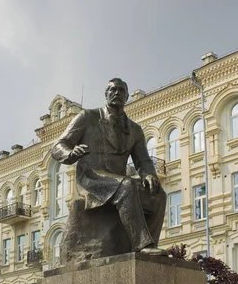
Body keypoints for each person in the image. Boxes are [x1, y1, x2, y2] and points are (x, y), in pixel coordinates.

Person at [51, 78, 167, 256]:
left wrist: (150, 175)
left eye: (121, 91)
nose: (117, 93)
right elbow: (59, 146)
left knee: (158, 193)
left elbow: (142, 161)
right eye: (112, 90)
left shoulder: (135, 130)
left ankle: (147, 248)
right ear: (105, 95)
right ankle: (142, 245)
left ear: (127, 96)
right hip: (92, 178)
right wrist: (71, 154)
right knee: (127, 186)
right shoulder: (88, 117)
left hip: (116, 179)